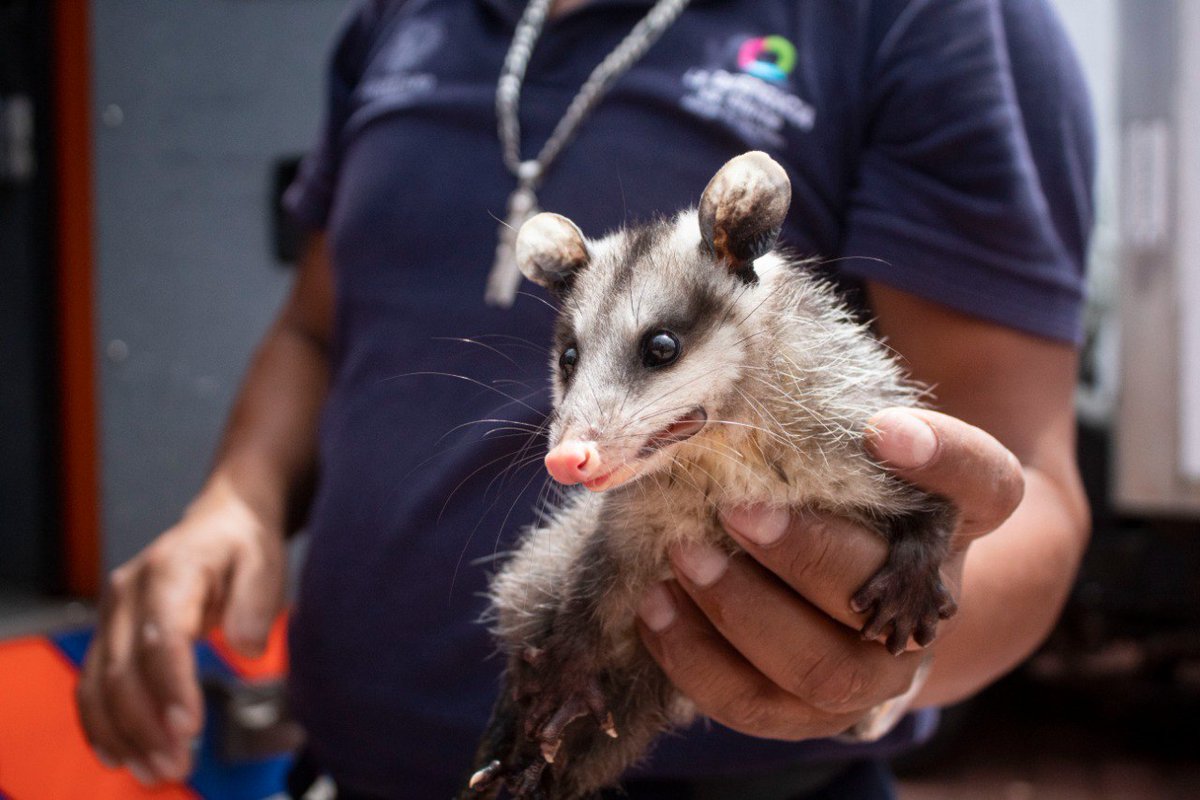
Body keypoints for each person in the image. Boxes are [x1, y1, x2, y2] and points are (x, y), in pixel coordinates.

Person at [74, 0, 1095, 797]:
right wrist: (235, 501)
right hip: (353, 764)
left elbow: (1019, 485)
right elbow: (314, 326)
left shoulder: (935, 22)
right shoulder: (397, 18)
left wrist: (887, 653)